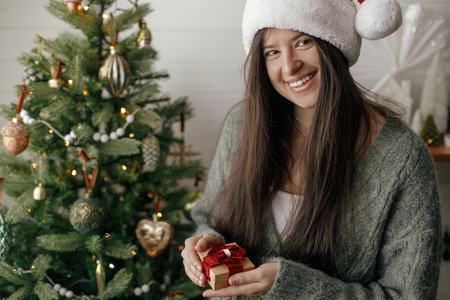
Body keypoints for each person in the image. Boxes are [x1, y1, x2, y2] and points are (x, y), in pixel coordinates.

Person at [181, 0, 442, 299]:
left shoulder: (402, 159)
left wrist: (297, 287)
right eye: (272, 52)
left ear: (334, 42)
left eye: (303, 41)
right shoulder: (242, 126)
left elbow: (409, 295)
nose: (289, 66)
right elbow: (211, 218)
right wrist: (207, 243)